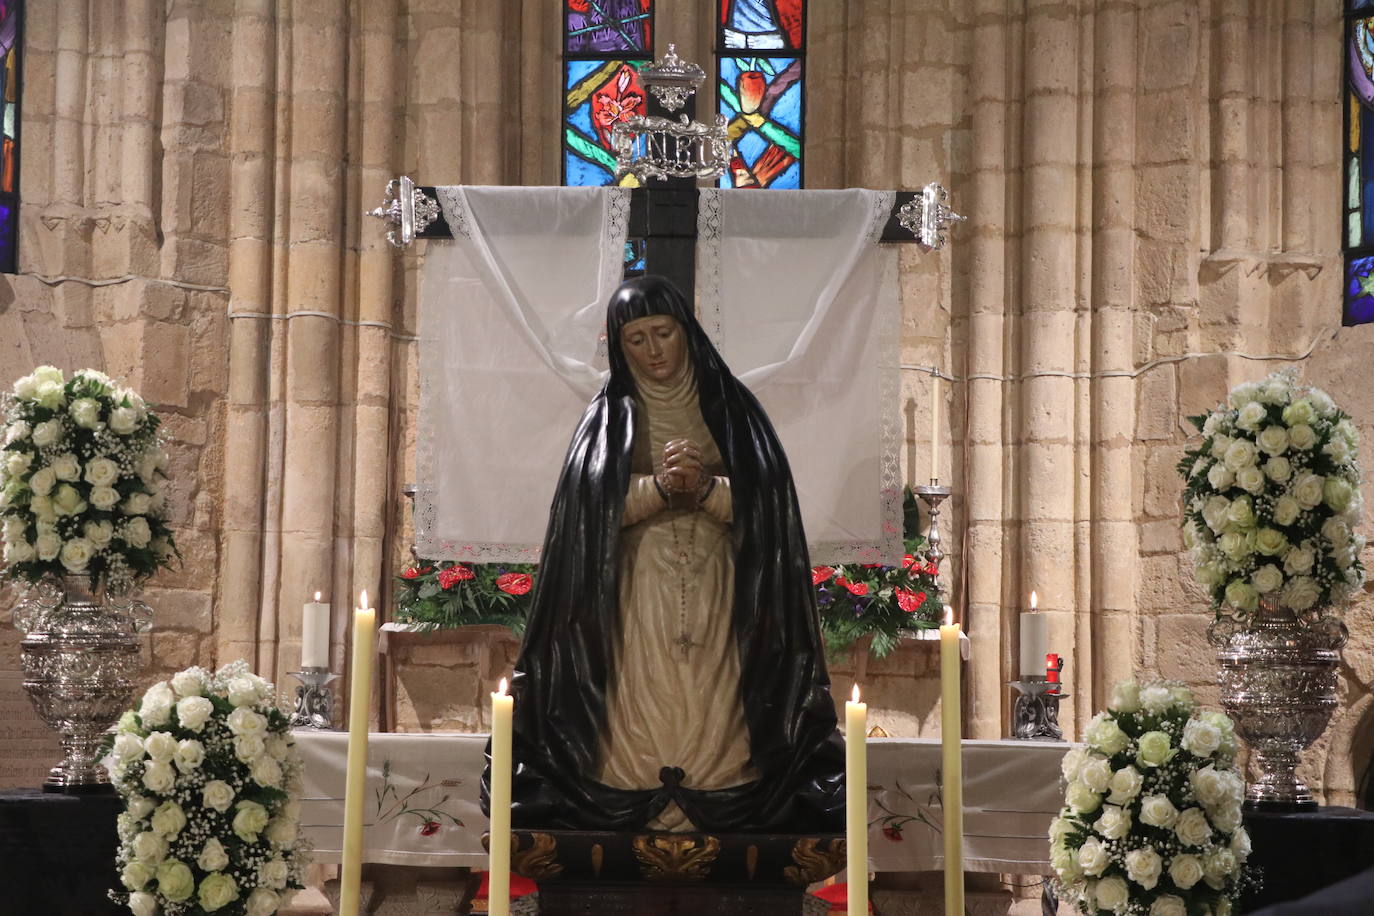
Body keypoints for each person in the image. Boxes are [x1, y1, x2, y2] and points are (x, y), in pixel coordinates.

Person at [482, 275, 845, 833]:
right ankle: (635, 788)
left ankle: (720, 786)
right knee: (645, 685)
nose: (653, 351)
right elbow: (584, 516)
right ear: (618, 347)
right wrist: (655, 491)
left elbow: (770, 513)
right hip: (636, 587)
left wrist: (704, 490)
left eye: (663, 333)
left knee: (712, 685)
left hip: (721, 586)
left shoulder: (733, 410)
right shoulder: (607, 417)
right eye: (636, 340)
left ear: (686, 333)